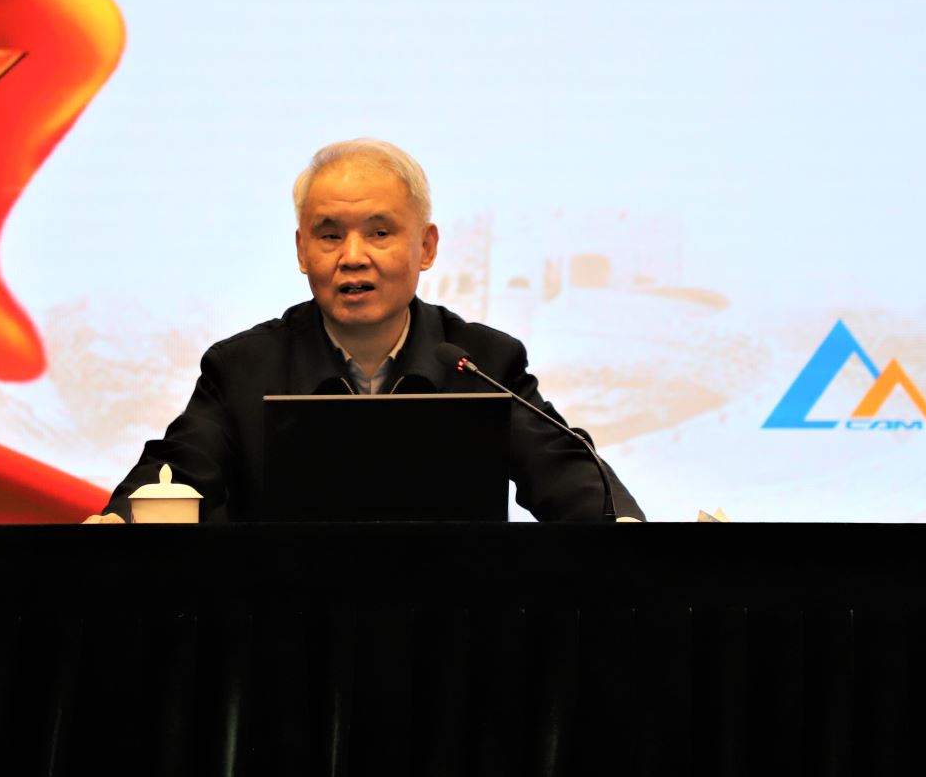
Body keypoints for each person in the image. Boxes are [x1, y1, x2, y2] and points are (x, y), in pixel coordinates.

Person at [87, 138, 644, 523]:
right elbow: (174, 473)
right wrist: (119, 520)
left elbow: (569, 478)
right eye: (330, 236)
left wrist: (624, 528)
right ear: (302, 251)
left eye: (379, 233)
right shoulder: (243, 368)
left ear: (425, 247)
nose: (353, 257)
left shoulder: (481, 362)